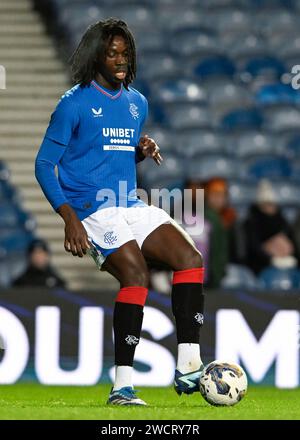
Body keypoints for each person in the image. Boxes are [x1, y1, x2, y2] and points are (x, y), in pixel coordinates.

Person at [35, 19, 205, 406]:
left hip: (128, 202)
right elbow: (45, 165)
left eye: (125, 52)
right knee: (135, 274)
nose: (120, 60)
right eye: (112, 53)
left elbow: (110, 158)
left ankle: (189, 364)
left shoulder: (136, 103)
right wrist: (69, 218)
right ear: (97, 56)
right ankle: (122, 387)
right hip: (92, 212)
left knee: (190, 258)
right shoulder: (73, 103)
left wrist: (137, 152)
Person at [244, 179, 300, 275]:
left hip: (287, 264)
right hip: (260, 268)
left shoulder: (282, 222)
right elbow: (252, 249)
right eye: (266, 204)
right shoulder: (251, 223)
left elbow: (292, 245)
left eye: (272, 204)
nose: (269, 208)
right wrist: (269, 253)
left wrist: (286, 248)